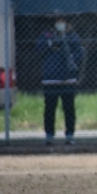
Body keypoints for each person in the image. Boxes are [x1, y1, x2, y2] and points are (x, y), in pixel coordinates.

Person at [35, 13, 84, 145]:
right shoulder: (46, 36)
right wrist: (50, 43)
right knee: (50, 108)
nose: (60, 23)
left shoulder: (72, 36)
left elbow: (79, 54)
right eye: (57, 21)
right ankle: (49, 135)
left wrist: (70, 57)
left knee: (69, 108)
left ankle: (70, 135)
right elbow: (37, 51)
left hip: (68, 80)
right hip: (50, 79)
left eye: (62, 20)